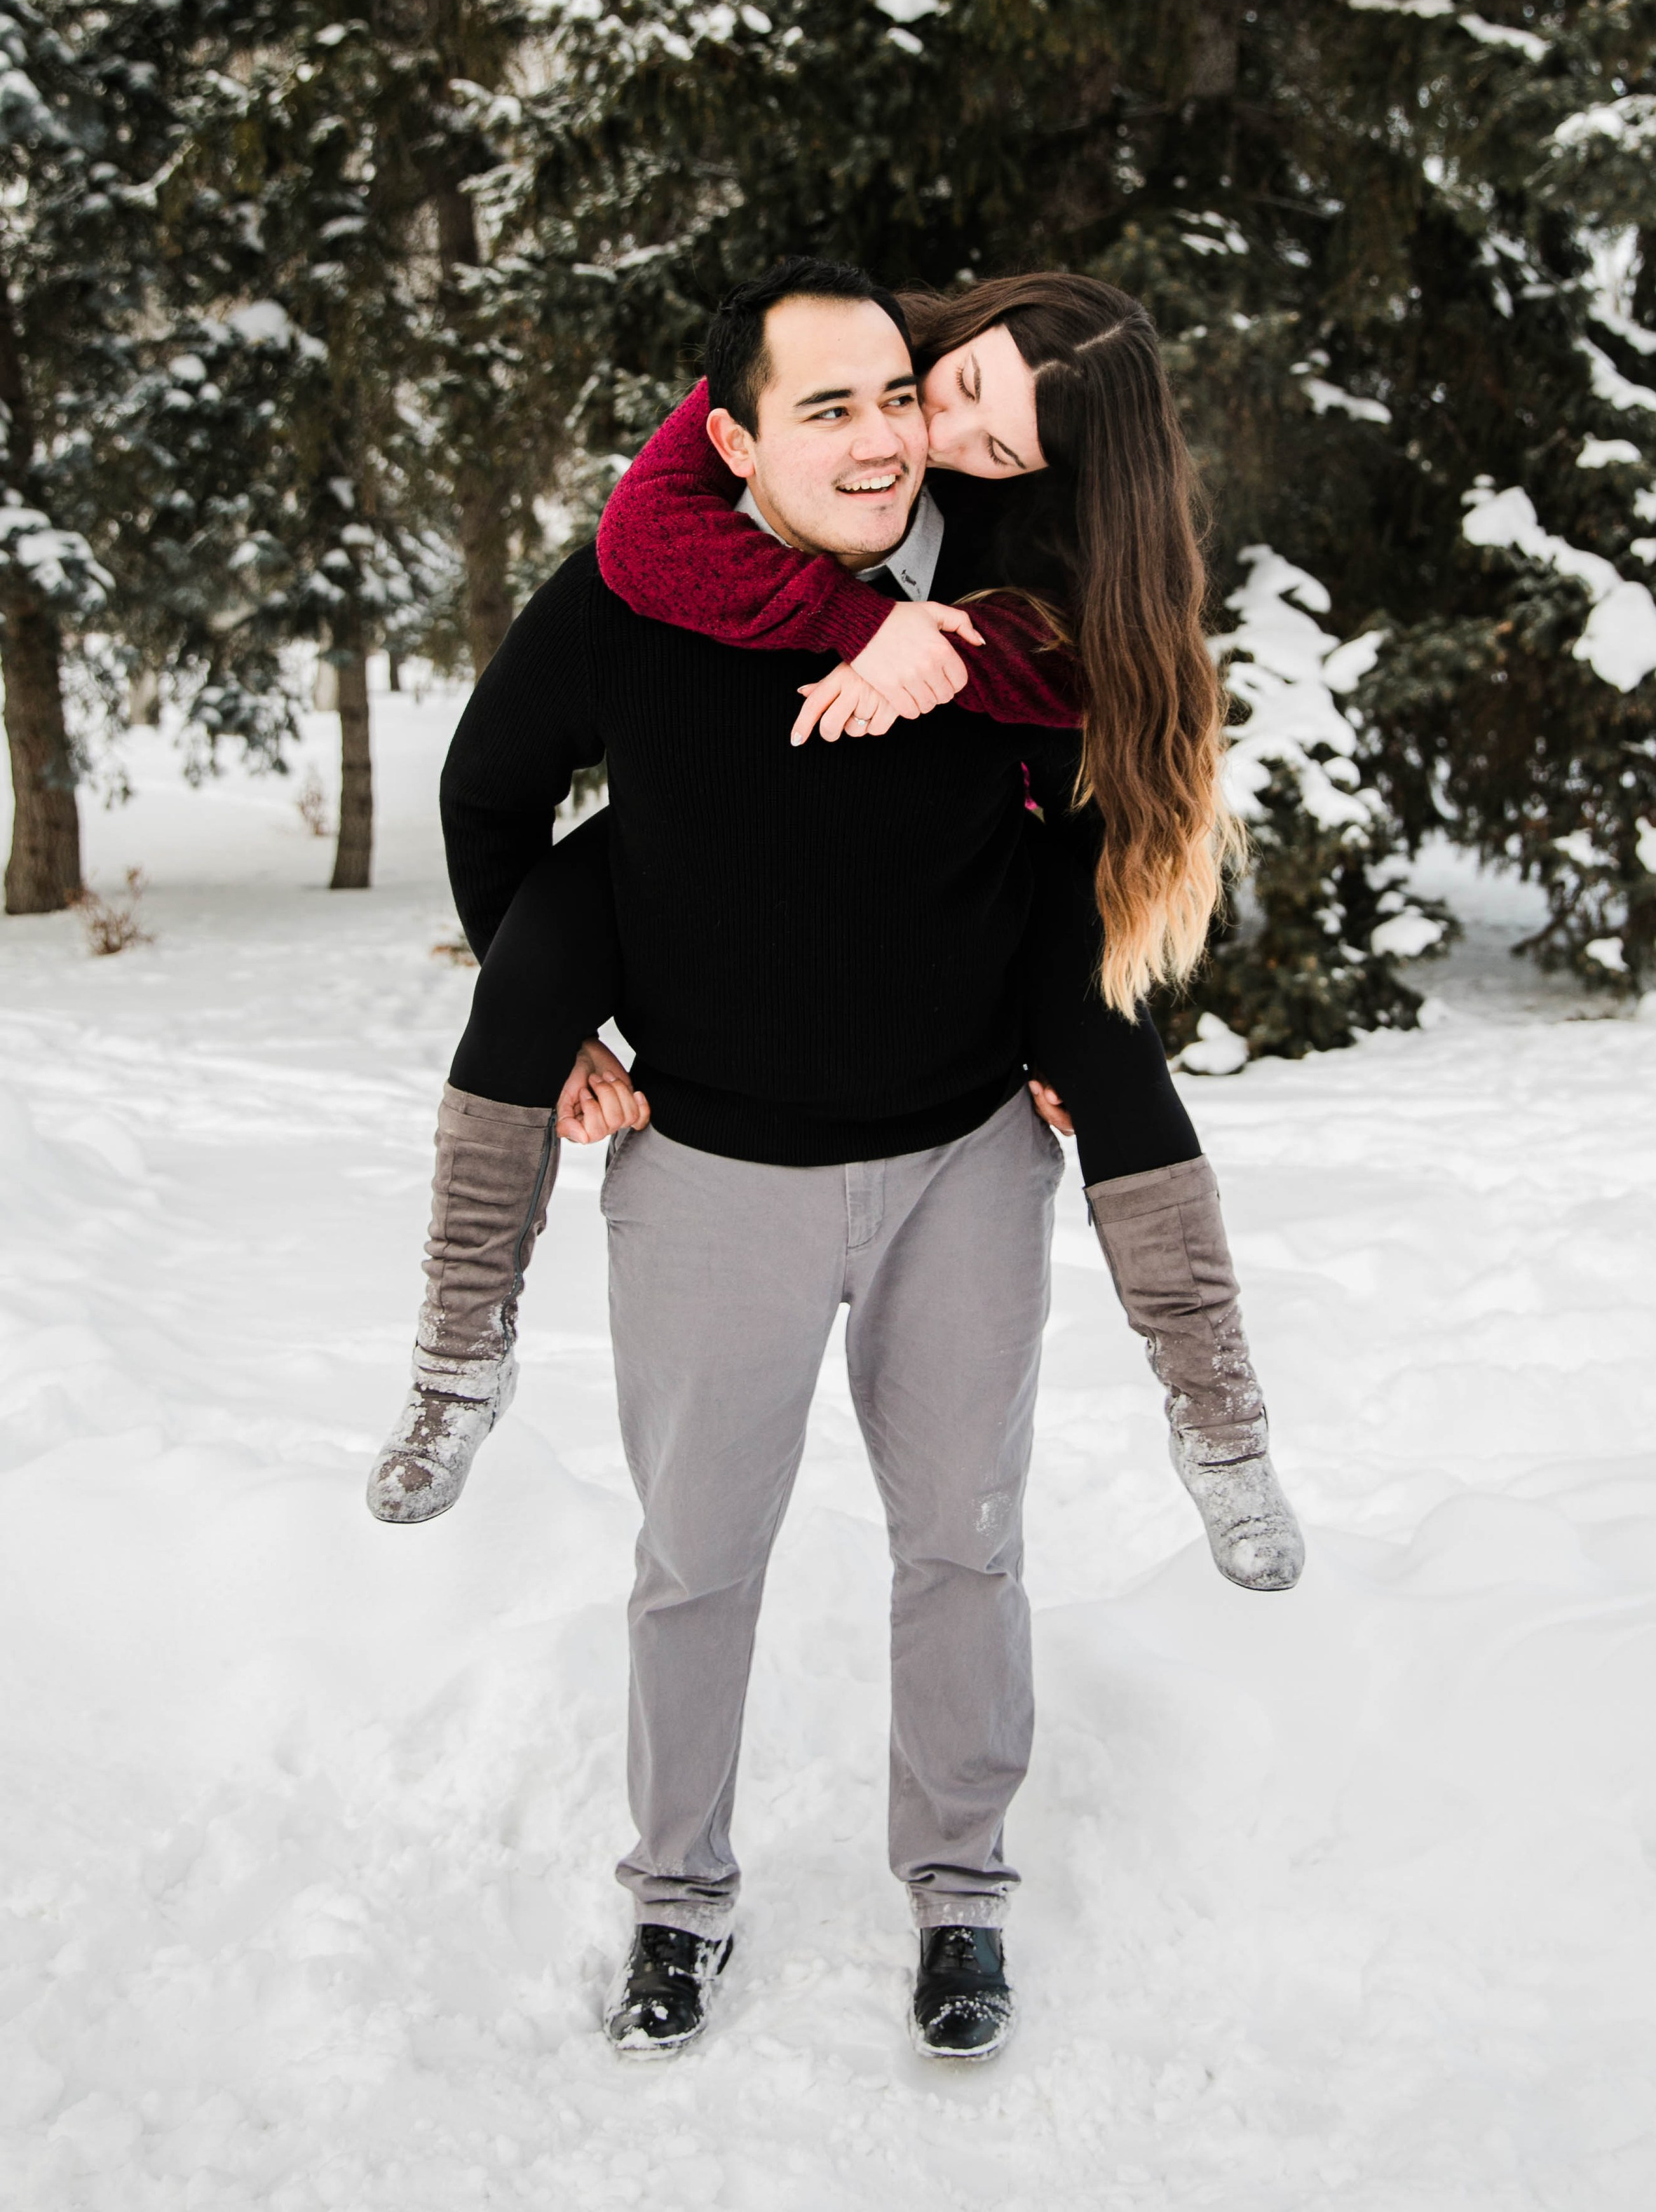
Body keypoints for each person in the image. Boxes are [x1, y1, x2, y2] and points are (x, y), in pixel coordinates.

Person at [375, 257, 1117, 2064]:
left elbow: (1100, 801)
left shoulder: (1004, 589)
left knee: (962, 1544)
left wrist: (1076, 1027)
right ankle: (676, 1898)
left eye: (895, 397)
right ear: (731, 439)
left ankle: (959, 1894)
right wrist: (551, 1023)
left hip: (963, 1160)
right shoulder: (638, 590)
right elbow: (489, 789)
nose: (881, 441)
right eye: (826, 408)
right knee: (698, 1555)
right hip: (710, 1172)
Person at [370, 271, 1303, 1590]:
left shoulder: (1005, 518)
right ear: (958, 331)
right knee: (533, 960)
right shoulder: (819, 377)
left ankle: (1222, 1422)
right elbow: (640, 545)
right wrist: (867, 628)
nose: (937, 442)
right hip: (688, 889)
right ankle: (457, 1356)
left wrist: (960, 651)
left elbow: (1095, 718)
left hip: (984, 898)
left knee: (1104, 1035)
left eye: (999, 447)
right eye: (960, 392)